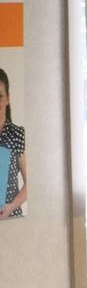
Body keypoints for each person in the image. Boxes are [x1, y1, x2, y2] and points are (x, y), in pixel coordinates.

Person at [0, 68, 27, 220]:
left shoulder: (17, 134)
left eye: (0, 96)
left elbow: (30, 183)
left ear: (8, 98)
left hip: (11, 220)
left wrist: (11, 207)